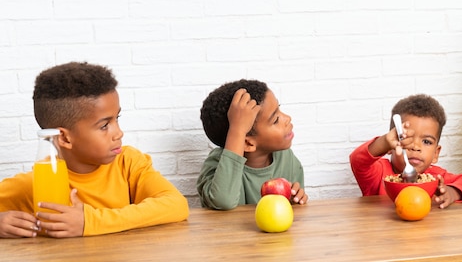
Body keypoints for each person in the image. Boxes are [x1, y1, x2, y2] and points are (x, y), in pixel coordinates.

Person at [0, 62, 189, 239]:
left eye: (117, 118)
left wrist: (89, 222)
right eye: (105, 125)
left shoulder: (128, 162)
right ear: (65, 138)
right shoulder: (36, 181)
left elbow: (176, 205)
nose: (119, 133)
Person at [350, 94, 462, 209]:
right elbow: (358, 161)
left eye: (427, 142)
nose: (416, 147)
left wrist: (452, 192)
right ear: (391, 147)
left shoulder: (436, 178)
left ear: (436, 153)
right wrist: (383, 142)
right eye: (406, 138)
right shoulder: (379, 173)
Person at [196, 79, 308, 210]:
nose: (287, 118)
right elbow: (223, 201)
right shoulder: (216, 165)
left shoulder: (286, 159)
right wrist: (237, 130)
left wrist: (295, 200)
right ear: (248, 142)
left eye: (279, 110)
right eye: (275, 119)